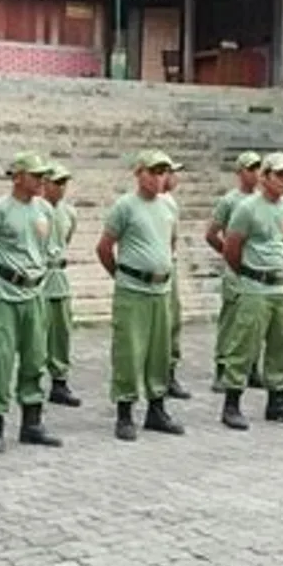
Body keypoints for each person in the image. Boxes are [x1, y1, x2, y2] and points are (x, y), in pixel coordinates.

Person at [0, 153, 62, 454]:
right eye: (35, 176)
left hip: (35, 293)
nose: (41, 181)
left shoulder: (46, 210)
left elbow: (47, 251)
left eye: (43, 176)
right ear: (18, 177)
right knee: (0, 358)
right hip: (4, 293)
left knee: (36, 356)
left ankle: (32, 422)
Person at [96, 149, 186, 441]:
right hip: (132, 290)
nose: (159, 178)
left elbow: (170, 243)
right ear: (139, 173)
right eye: (153, 172)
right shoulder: (125, 206)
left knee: (159, 351)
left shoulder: (169, 206)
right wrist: (123, 276)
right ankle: (125, 412)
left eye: (163, 172)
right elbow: (104, 247)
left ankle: (156, 409)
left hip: (160, 289)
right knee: (129, 351)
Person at [219, 152, 283, 431]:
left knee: (282, 343)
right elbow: (232, 248)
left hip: (282, 286)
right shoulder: (247, 208)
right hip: (255, 285)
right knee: (244, 344)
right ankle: (232, 403)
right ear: (265, 177)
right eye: (280, 174)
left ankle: (277, 400)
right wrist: (248, 273)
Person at [206, 151, 263, 392]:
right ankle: (222, 368)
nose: (256, 173)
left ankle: (251, 366)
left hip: (257, 269)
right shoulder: (230, 201)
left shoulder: (264, 200)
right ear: (240, 173)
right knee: (231, 319)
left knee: (255, 320)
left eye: (258, 168)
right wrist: (229, 255)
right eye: (250, 169)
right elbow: (211, 233)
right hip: (236, 269)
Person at [41, 163, 82, 407]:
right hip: (40, 275)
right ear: (44, 183)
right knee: (37, 333)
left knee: (61, 332)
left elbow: (66, 239)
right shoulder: (37, 210)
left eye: (64, 183)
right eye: (57, 182)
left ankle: (59, 381)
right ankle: (31, 381)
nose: (62, 188)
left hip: (60, 274)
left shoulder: (69, 212)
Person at [160, 162, 191, 400]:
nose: (175, 177)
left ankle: (169, 372)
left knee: (173, 321)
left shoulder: (170, 201)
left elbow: (173, 238)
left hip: (169, 266)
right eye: (171, 173)